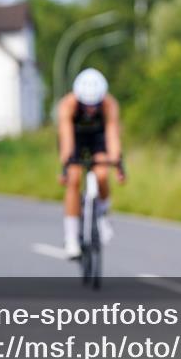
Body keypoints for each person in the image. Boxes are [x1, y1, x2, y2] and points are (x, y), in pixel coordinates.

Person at [56, 68, 125, 258]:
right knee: (74, 178)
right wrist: (66, 163)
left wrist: (116, 160)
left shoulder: (109, 104)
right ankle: (71, 238)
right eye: (87, 105)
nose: (91, 109)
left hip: (98, 138)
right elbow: (66, 138)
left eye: (95, 105)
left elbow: (112, 135)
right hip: (75, 138)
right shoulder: (68, 104)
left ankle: (102, 215)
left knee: (102, 174)